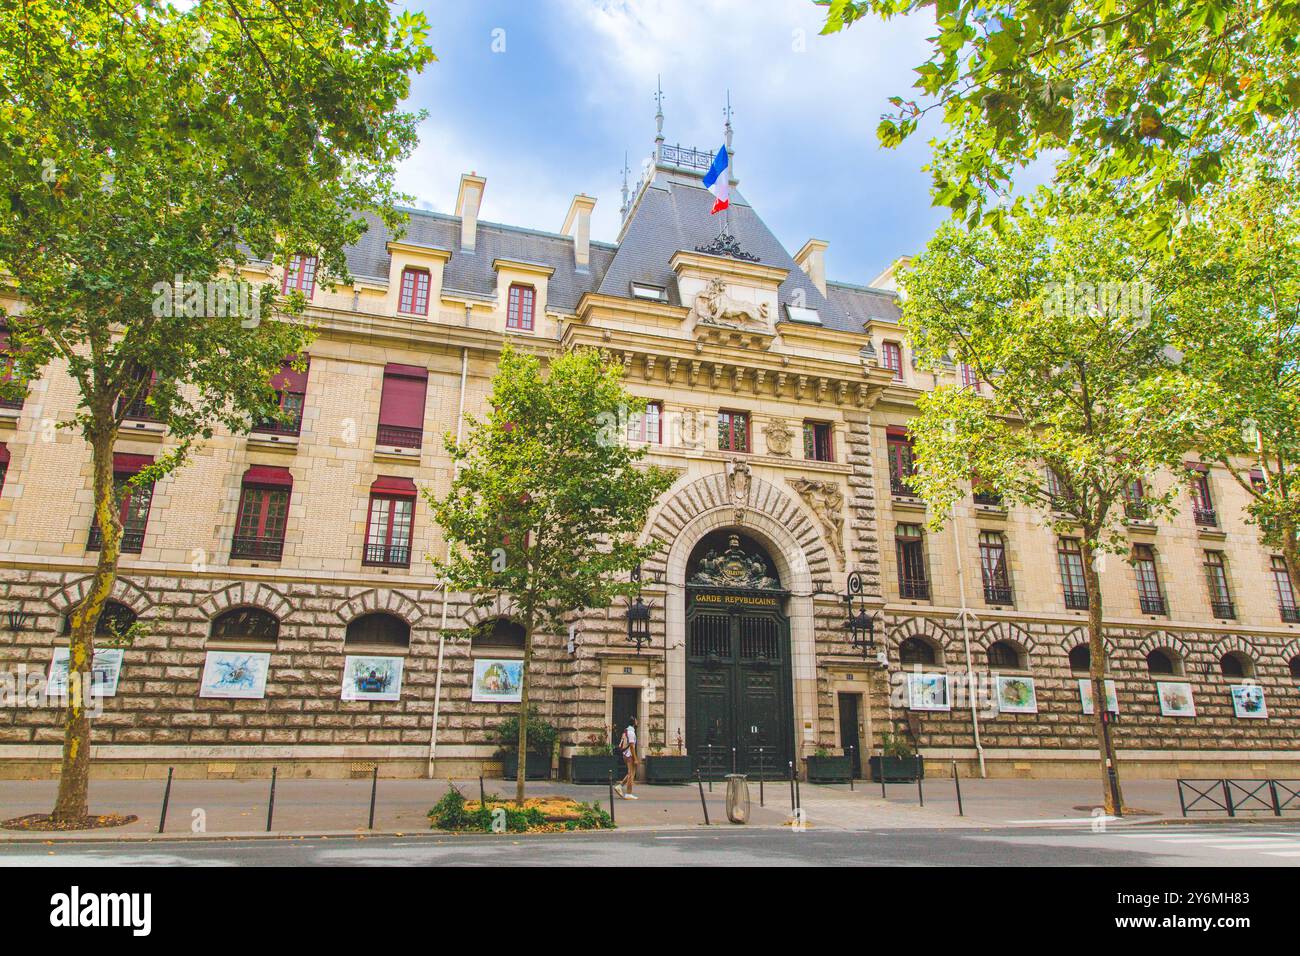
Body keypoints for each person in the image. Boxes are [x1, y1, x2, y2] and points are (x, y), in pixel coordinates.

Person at [614, 716, 638, 799]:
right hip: (629, 755)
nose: (637, 722)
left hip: (625, 754)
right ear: (634, 722)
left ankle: (619, 786)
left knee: (630, 773)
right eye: (636, 720)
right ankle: (628, 793)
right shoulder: (631, 732)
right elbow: (631, 746)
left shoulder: (626, 730)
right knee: (631, 774)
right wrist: (635, 758)